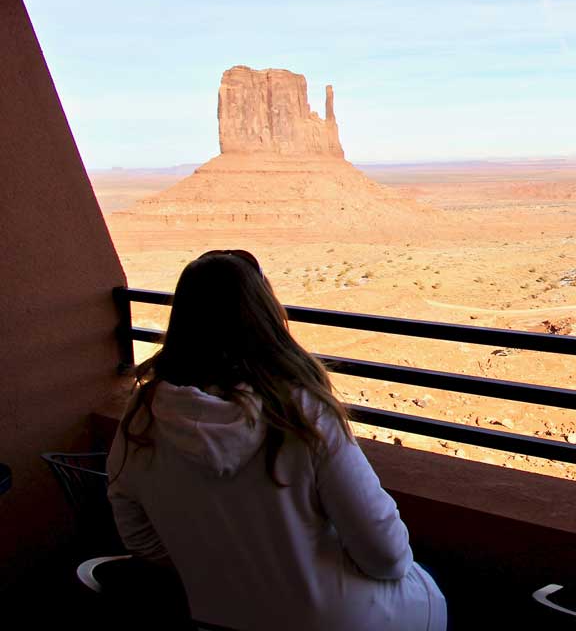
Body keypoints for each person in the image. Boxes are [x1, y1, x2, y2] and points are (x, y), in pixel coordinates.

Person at [107, 249, 447, 631]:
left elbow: (136, 534)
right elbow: (385, 555)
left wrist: (214, 567)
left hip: (221, 618)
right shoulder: (300, 413)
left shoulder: (143, 414)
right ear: (264, 318)